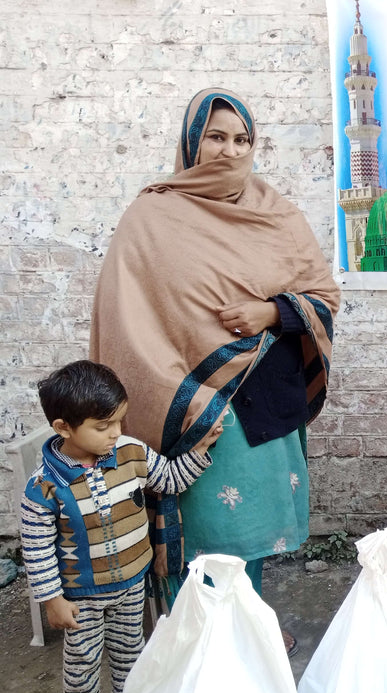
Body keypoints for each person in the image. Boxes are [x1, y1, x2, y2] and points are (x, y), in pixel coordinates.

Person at [89, 88, 340, 651]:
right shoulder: (150, 218)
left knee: (250, 537)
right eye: (216, 137)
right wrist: (180, 396)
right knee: (204, 537)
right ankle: (199, 646)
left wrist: (269, 312)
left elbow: (323, 296)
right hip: (193, 410)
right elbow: (127, 320)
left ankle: (247, 630)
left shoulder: (276, 213)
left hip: (262, 404)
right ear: (191, 142)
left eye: (242, 139)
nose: (230, 150)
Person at [20, 360, 223, 693]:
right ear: (63, 428)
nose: (115, 433)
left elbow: (169, 479)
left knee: (131, 653)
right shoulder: (43, 486)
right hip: (80, 596)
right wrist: (52, 599)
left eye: (118, 421)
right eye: (102, 426)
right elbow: (37, 548)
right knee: (82, 663)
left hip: (132, 585)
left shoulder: (131, 453)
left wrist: (200, 449)